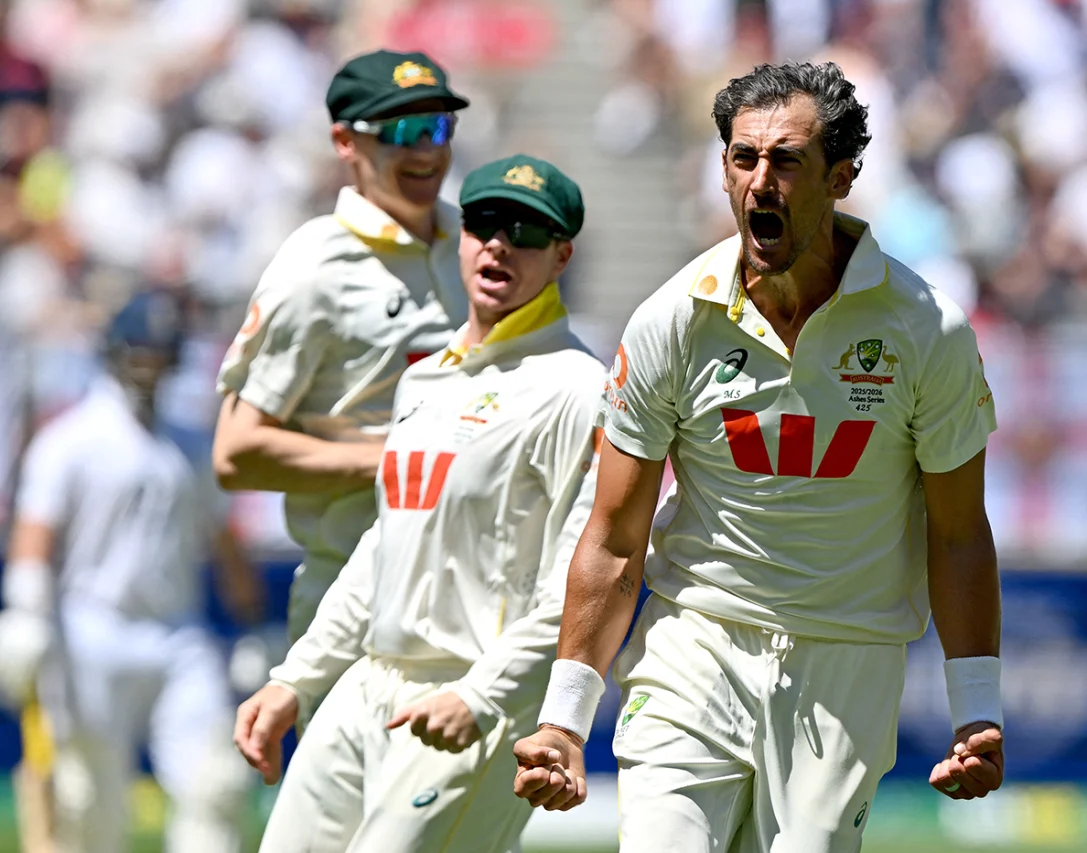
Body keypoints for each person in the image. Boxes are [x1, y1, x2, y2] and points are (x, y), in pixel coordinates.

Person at [514, 61, 1005, 851]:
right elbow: (612, 536)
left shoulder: (926, 330)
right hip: (694, 639)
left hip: (847, 658)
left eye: (786, 161)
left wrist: (977, 706)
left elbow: (958, 533)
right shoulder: (672, 319)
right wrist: (565, 719)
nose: (759, 182)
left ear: (841, 177)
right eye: (743, 159)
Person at [232, 155, 604, 852]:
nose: (499, 242)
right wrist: (298, 679)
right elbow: (383, 551)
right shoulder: (426, 379)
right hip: (369, 681)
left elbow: (580, 582)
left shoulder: (579, 388)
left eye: (525, 231)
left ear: (561, 255)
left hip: (469, 702)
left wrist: (483, 695)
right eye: (486, 222)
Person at [213, 49, 471, 645]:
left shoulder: (474, 244)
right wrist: (392, 458)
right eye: (404, 130)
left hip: (473, 592)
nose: (427, 150)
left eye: (440, 126)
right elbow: (236, 452)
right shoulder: (315, 267)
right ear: (345, 141)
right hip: (355, 597)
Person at [0, 290, 262, 853]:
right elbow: (34, 535)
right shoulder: (70, 440)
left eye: (159, 354)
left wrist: (249, 625)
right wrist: (25, 612)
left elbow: (224, 541)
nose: (149, 366)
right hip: (88, 633)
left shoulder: (188, 440)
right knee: (85, 804)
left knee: (215, 787)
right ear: (114, 352)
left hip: (177, 633)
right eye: (140, 353)